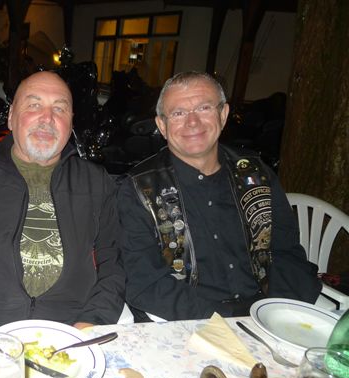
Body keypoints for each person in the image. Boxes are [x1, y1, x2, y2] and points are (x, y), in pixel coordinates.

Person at [0, 71, 125, 356]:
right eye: (34, 105)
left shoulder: (96, 181)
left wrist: (91, 323)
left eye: (59, 109)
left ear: (71, 123)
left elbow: (112, 263)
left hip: (67, 332)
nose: (47, 118)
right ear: (11, 117)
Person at [118, 71, 320, 321]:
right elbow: (144, 282)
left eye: (204, 108)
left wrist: (276, 312)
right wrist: (228, 319)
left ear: (223, 115)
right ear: (162, 126)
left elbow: (287, 252)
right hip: (189, 320)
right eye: (178, 113)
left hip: (267, 314)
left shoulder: (256, 175)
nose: (193, 122)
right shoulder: (139, 189)